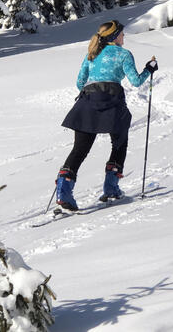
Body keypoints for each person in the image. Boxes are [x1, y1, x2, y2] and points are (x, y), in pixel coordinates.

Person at [55, 20, 158, 211]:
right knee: (119, 143)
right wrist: (149, 69)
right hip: (113, 103)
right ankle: (111, 189)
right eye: (122, 33)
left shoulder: (91, 54)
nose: (123, 36)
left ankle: (64, 193)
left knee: (80, 149)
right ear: (114, 36)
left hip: (87, 103)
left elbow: (80, 83)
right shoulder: (124, 54)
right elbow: (135, 81)